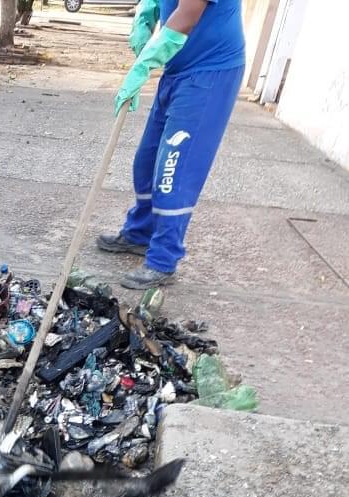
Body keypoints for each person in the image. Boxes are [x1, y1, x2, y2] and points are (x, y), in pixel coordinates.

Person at [98, 0, 245, 288]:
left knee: (173, 172)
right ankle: (140, 233)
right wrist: (148, 9)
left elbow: (188, 14)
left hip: (209, 72)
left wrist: (146, 61)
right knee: (146, 163)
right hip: (177, 67)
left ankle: (163, 260)